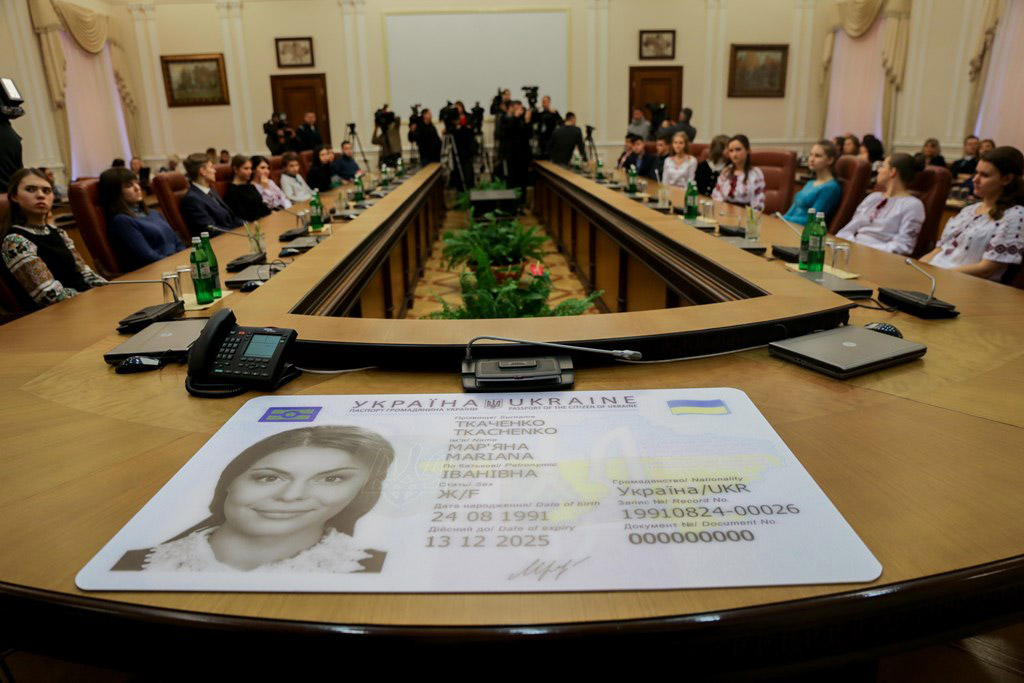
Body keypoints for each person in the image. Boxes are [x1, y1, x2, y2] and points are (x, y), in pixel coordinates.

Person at [112, 425, 394, 573]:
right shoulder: (133, 565)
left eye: (331, 479)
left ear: (360, 491)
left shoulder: (378, 567)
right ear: (230, 481)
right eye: (269, 478)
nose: (291, 496)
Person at [1, 168, 106, 309]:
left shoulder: (59, 232)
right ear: (14, 196)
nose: (40, 195)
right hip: (57, 313)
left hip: (84, 303)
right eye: (30, 190)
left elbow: (86, 274)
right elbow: (50, 296)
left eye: (46, 191)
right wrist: (94, 300)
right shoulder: (15, 241)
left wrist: (108, 290)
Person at [921, 146, 1024, 281]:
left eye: (984, 175)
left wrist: (938, 275)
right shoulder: (969, 210)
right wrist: (919, 268)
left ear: (1007, 179)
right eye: (976, 173)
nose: (975, 179)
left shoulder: (1014, 215)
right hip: (936, 276)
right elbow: (939, 250)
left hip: (965, 284)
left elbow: (987, 268)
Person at [836, 153, 925, 255]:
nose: (878, 170)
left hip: (880, 257)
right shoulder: (873, 197)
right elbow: (847, 230)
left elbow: (903, 246)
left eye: (882, 166)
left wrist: (863, 249)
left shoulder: (913, 205)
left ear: (892, 172)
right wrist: (851, 245)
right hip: (853, 250)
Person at [99, 166, 184, 271]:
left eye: (137, 183)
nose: (137, 188)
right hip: (156, 272)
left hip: (175, 265)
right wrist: (176, 263)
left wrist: (183, 259)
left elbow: (178, 242)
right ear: (115, 193)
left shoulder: (154, 213)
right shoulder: (122, 221)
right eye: (129, 185)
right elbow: (148, 257)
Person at [179, 152, 244, 237]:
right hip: (223, 240)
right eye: (211, 167)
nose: (215, 171)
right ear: (203, 171)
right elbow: (211, 230)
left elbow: (231, 217)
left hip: (233, 234)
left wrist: (246, 225)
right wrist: (239, 233)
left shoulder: (210, 191)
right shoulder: (192, 200)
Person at [783, 140, 842, 225]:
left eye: (817, 156)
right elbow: (792, 210)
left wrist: (784, 219)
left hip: (802, 230)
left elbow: (813, 220)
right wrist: (780, 219)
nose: (811, 159)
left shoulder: (831, 188)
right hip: (789, 225)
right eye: (811, 155)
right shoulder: (810, 183)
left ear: (830, 160)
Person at [712, 134, 765, 212]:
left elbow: (758, 200)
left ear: (747, 150)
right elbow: (717, 195)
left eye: (738, 149)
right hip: (724, 212)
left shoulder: (755, 173)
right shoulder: (726, 172)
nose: (734, 154)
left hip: (746, 214)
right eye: (731, 151)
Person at [224, 155, 272, 222]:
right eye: (246, 168)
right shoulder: (232, 192)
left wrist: (270, 213)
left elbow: (260, 205)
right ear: (235, 169)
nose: (250, 172)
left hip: (264, 220)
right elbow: (242, 215)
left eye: (250, 168)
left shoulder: (250, 185)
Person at [499, 101, 530, 202]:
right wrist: (516, 118)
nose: (519, 110)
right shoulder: (506, 119)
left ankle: (521, 202)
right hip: (511, 155)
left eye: (520, 108)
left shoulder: (522, 120)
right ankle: (511, 202)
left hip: (523, 155)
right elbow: (507, 132)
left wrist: (527, 122)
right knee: (511, 180)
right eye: (516, 108)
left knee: (523, 181)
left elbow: (528, 135)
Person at [535, 95, 563, 160]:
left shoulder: (554, 113)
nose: (544, 103)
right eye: (543, 102)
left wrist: (555, 113)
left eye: (545, 102)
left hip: (550, 138)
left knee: (550, 156)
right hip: (541, 139)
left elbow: (561, 123)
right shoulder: (540, 113)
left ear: (549, 102)